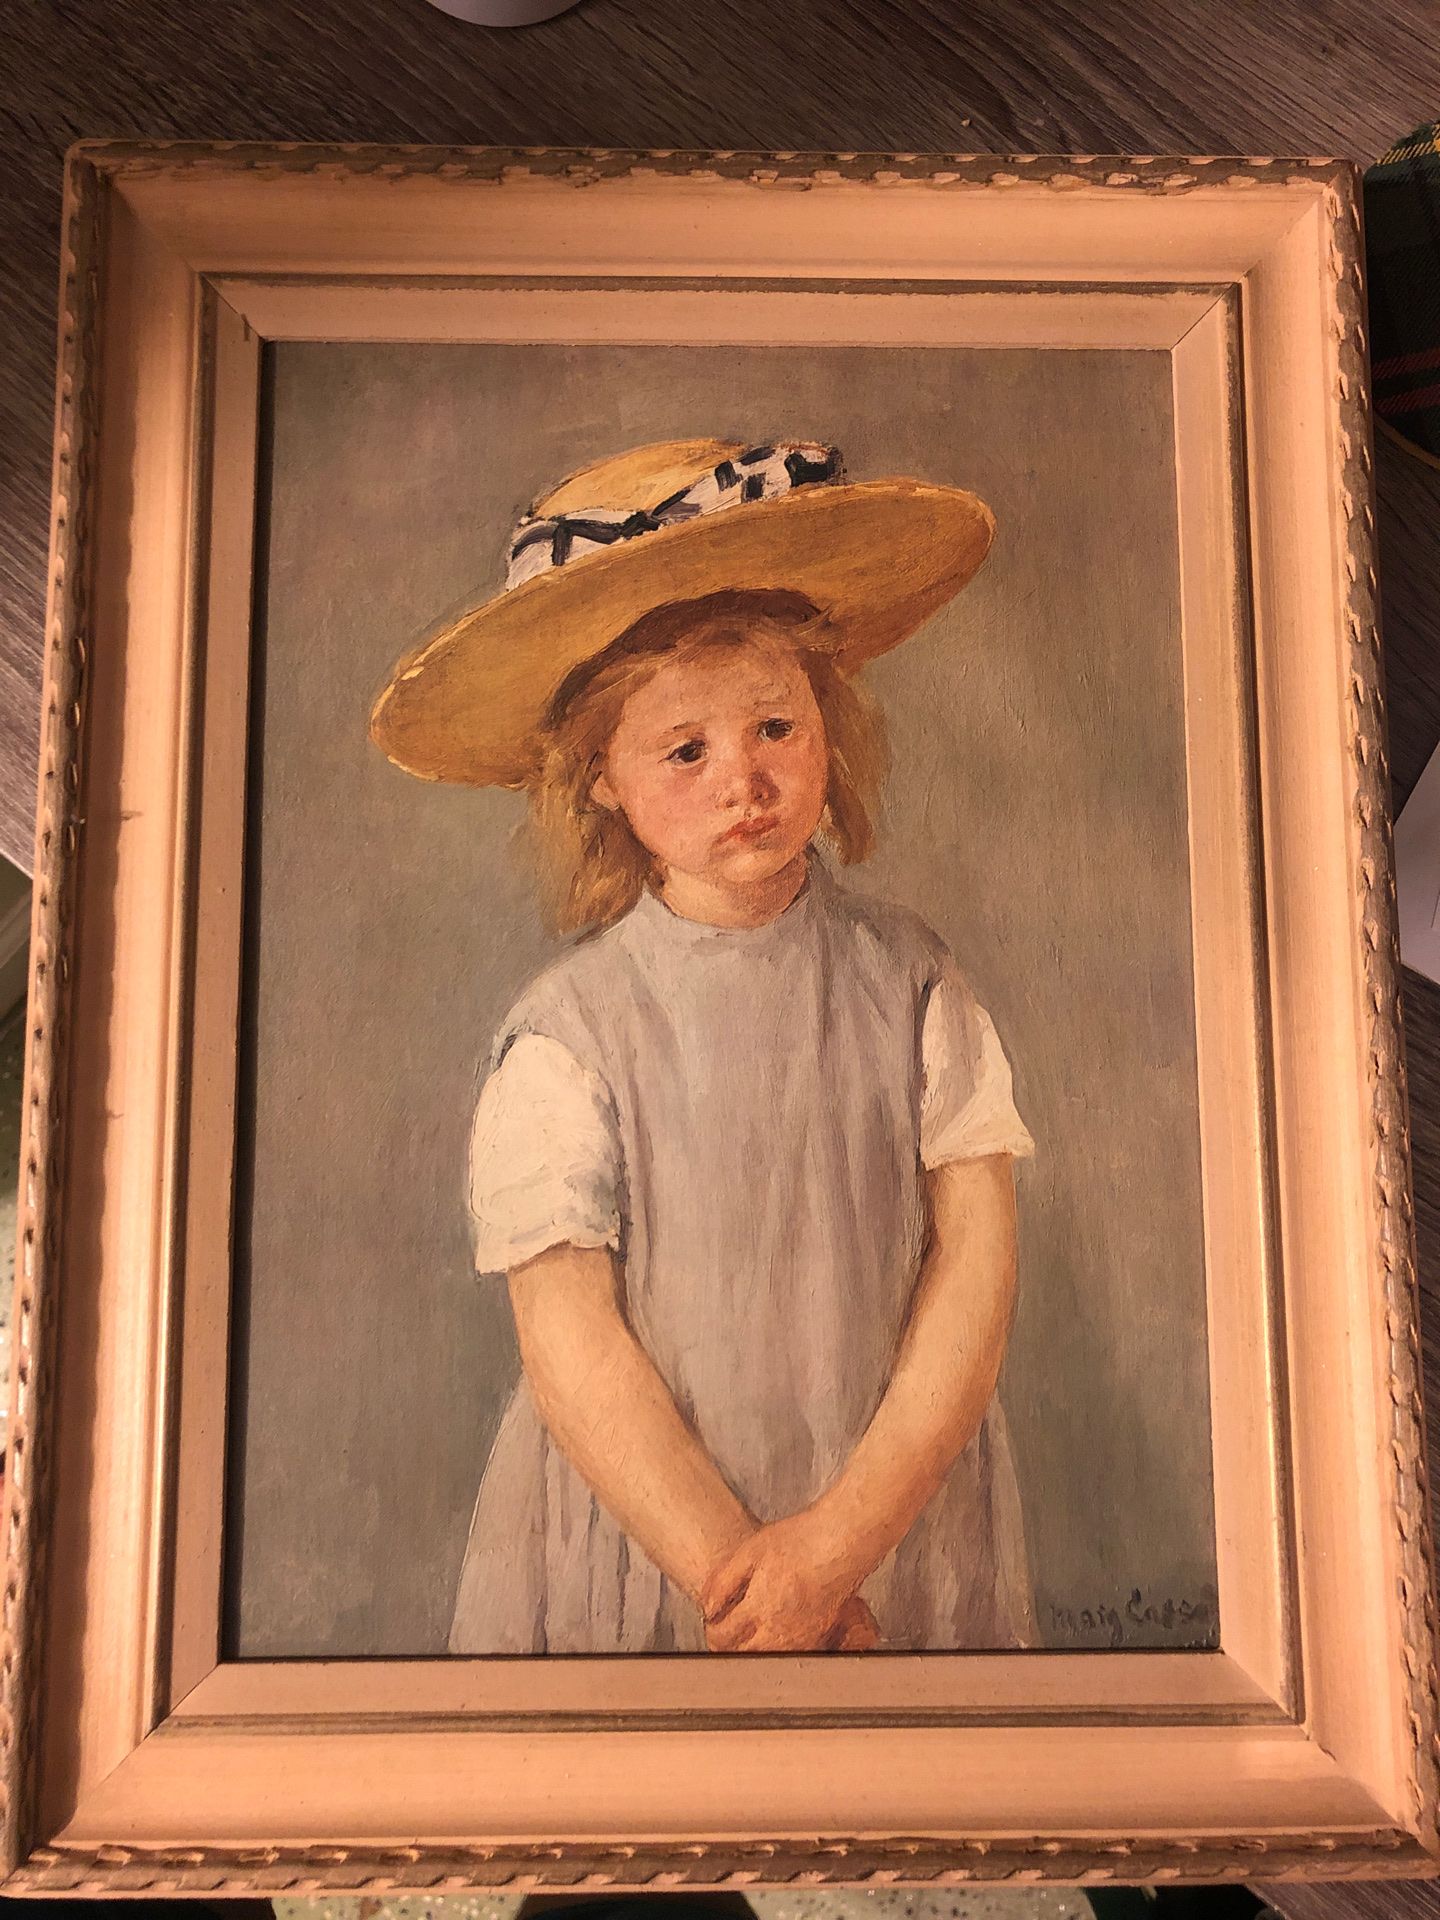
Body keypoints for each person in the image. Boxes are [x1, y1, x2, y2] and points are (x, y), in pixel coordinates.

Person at [370, 437, 1037, 1655]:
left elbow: (974, 1270)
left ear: (828, 729)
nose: (745, 779)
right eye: (686, 750)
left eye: (776, 726)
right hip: (652, 1541)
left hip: (887, 1522)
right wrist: (747, 1580)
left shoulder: (915, 984)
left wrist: (834, 1551)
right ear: (604, 781)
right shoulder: (568, 1037)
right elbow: (571, 1340)